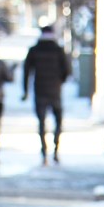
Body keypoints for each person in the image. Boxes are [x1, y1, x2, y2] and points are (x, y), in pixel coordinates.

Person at [22, 25, 72, 164]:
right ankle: (55, 150)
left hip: (40, 90)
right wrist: (59, 82)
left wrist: (25, 91)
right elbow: (67, 71)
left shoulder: (34, 50)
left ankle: (44, 152)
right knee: (58, 121)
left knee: (41, 123)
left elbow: (27, 72)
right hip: (55, 91)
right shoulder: (58, 50)